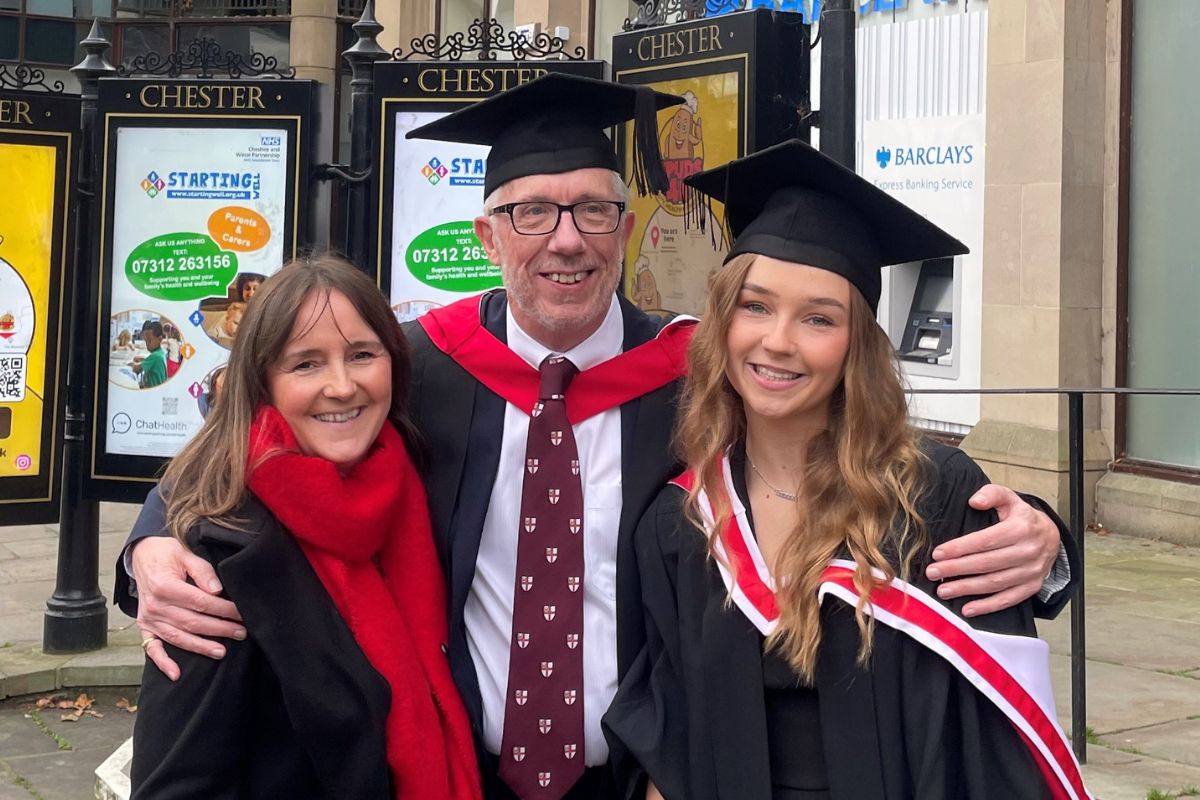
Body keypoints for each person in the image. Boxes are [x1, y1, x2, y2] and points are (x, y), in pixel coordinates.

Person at [118, 75, 1075, 800]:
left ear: (624, 227)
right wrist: (152, 546)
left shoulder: (707, 378)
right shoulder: (410, 370)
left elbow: (872, 453)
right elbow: (250, 441)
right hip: (458, 773)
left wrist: (1043, 536)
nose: (564, 238)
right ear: (490, 234)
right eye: (531, 211)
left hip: (642, 777)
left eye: (591, 209)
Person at [603, 140, 1089, 799]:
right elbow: (665, 728)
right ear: (721, 322)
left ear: (856, 345)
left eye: (818, 319)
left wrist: (1051, 540)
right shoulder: (682, 520)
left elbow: (992, 732)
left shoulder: (931, 500)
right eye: (756, 306)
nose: (777, 341)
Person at [130, 256, 481, 799]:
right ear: (262, 381)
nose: (341, 387)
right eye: (306, 364)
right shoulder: (216, 560)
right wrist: (147, 542)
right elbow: (176, 784)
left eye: (362, 355)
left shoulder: (419, 479)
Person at [131, 320, 167, 388]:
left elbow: (136, 369)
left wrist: (130, 363)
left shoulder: (155, 356)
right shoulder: (161, 352)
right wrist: (143, 359)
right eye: (146, 340)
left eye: (149, 340)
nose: (147, 344)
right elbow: (155, 362)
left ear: (160, 339)